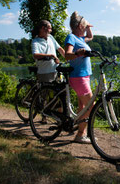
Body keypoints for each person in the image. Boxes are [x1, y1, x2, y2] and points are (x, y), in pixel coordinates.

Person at [32, 20, 84, 123]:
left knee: (59, 94)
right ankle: (44, 116)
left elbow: (60, 50)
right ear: (43, 28)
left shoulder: (51, 38)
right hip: (44, 72)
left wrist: (70, 58)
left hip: (56, 70)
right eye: (49, 28)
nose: (51, 30)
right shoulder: (36, 41)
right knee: (44, 94)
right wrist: (51, 56)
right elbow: (35, 55)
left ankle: (60, 117)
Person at [64, 11, 94, 144]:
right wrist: (77, 53)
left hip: (84, 75)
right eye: (84, 26)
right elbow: (67, 55)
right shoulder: (71, 37)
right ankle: (80, 134)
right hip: (78, 76)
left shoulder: (81, 39)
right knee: (90, 105)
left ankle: (81, 132)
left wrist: (88, 26)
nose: (85, 28)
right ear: (79, 26)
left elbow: (90, 36)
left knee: (83, 106)